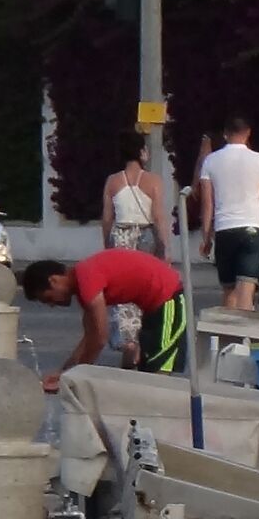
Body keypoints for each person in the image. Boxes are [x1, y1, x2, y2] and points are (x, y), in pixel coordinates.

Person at [24, 249, 186, 391]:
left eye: (48, 298)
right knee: (147, 371)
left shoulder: (86, 277)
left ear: (54, 280)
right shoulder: (83, 283)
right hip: (154, 307)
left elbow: (100, 337)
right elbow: (89, 337)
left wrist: (76, 378)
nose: (52, 305)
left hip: (168, 298)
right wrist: (64, 373)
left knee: (158, 375)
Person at [100, 132, 172, 366]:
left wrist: (107, 247)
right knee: (146, 291)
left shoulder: (113, 181)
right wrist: (164, 249)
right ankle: (142, 344)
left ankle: (127, 342)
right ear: (142, 152)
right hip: (145, 237)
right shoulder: (153, 181)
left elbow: (107, 218)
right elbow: (159, 217)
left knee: (123, 294)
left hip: (121, 238)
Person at [196, 113, 259, 311]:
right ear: (248, 133)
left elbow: (208, 204)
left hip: (225, 230)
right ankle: (245, 338)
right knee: (246, 290)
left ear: (225, 134)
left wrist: (206, 237)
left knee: (229, 290)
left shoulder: (211, 162)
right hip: (253, 227)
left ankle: (228, 337)